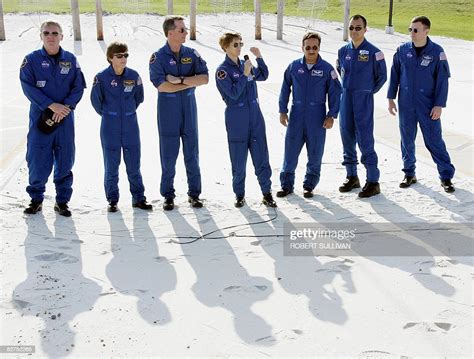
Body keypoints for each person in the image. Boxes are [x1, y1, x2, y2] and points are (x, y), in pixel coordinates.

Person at [20, 21, 86, 217]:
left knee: (65, 159)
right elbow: (27, 86)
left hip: (65, 119)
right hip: (41, 119)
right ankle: (36, 200)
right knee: (38, 159)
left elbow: (78, 86)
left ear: (62, 36)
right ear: (41, 36)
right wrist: (50, 105)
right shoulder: (31, 60)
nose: (51, 36)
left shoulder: (71, 60)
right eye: (47, 33)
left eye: (55, 33)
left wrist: (65, 107)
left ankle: (62, 202)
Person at [387, 16, 455, 193]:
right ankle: (409, 173)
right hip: (406, 103)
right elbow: (394, 76)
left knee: (434, 140)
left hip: (428, 105)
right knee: (407, 140)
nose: (412, 33)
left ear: (426, 31)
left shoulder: (437, 52)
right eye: (410, 29)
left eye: (416, 30)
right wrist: (390, 98)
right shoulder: (402, 50)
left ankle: (446, 176)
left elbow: (443, 81)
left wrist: (439, 104)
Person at [149, 16, 209, 211]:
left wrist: (180, 80)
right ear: (170, 33)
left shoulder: (191, 53)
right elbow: (162, 86)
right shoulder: (158, 57)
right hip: (168, 112)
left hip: (189, 109)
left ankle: (194, 194)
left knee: (192, 153)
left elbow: (205, 78)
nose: (186, 33)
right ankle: (168, 195)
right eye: (182, 30)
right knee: (168, 155)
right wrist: (186, 83)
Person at [215, 32, 277, 208]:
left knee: (261, 156)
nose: (239, 47)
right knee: (238, 159)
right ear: (226, 47)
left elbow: (263, 75)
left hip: (255, 117)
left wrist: (259, 57)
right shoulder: (222, 71)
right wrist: (244, 74)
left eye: (241, 44)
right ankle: (240, 195)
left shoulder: (245, 64)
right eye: (235, 45)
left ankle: (267, 193)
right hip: (237, 118)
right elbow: (233, 94)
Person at [277, 32, 342, 198]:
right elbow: (285, 89)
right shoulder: (293, 67)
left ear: (319, 48)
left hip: (317, 116)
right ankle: (286, 185)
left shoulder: (327, 69)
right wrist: (282, 110)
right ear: (302, 48)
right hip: (296, 114)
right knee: (290, 152)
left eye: (315, 47)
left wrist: (331, 115)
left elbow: (336, 93)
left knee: (315, 152)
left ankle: (309, 185)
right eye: (308, 47)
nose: (311, 51)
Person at [90, 42, 153, 212]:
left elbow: (139, 98)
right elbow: (96, 102)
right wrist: (111, 114)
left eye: (126, 55)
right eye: (119, 56)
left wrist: (127, 112)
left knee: (134, 165)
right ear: (110, 58)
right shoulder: (101, 77)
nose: (123, 58)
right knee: (111, 166)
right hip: (110, 126)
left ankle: (138, 198)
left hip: (130, 125)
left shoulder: (134, 76)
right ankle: (112, 200)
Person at [336, 14, 387, 198]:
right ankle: (352, 176)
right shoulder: (343, 51)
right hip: (345, 99)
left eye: (358, 27)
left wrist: (367, 91)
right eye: (351, 28)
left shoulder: (375, 52)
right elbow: (339, 70)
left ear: (365, 29)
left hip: (363, 100)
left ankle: (373, 181)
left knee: (365, 139)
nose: (354, 31)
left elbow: (382, 77)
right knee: (346, 136)